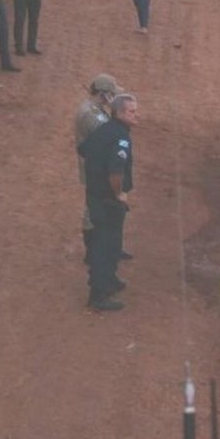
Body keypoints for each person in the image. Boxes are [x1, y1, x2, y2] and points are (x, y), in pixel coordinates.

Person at [77, 94, 139, 312]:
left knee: (110, 243)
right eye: (131, 111)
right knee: (106, 245)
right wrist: (118, 193)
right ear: (119, 113)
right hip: (107, 200)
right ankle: (99, 295)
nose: (135, 115)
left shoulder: (103, 130)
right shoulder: (121, 137)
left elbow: (83, 149)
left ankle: (109, 281)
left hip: (95, 195)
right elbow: (116, 172)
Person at [75, 73, 122, 265]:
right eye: (111, 94)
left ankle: (105, 247)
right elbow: (107, 137)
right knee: (94, 209)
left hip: (98, 165)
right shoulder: (90, 114)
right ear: (103, 94)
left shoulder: (95, 109)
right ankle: (92, 251)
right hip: (95, 168)